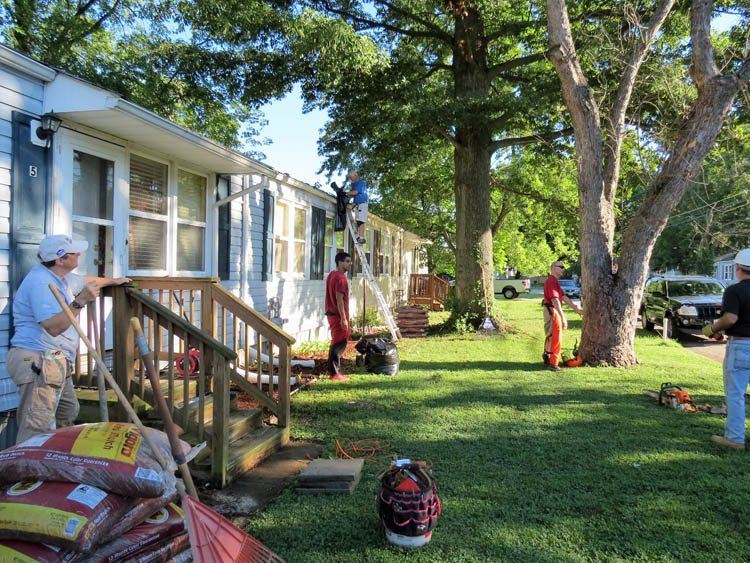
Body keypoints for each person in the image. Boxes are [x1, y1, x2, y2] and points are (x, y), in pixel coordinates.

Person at [6, 235, 131, 444]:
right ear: (60, 260)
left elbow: (88, 280)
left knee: (67, 411)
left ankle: (57, 461)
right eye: (74, 253)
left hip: (54, 356)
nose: (79, 255)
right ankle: (30, 473)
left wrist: (114, 281)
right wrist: (80, 301)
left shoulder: (60, 277)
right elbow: (54, 327)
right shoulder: (41, 283)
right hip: (35, 358)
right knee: (37, 426)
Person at [702, 248, 750, 450]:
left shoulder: (734, 290)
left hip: (741, 345)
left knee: (736, 394)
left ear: (737, 268)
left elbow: (730, 319)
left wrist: (712, 328)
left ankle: (735, 438)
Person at [543, 260, 582, 371]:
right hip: (552, 310)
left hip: (553, 310)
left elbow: (564, 297)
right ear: (554, 268)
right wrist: (563, 317)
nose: (563, 269)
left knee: (552, 336)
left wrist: (576, 309)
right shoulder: (551, 281)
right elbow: (555, 300)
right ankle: (552, 363)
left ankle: (548, 359)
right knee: (554, 336)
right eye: (561, 267)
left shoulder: (555, 281)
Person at [325, 252, 353, 381]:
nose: (349, 264)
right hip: (337, 315)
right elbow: (339, 299)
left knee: (335, 342)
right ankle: (335, 374)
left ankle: (330, 370)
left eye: (350, 261)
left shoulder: (331, 275)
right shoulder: (341, 278)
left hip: (331, 313)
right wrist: (343, 318)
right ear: (340, 263)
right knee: (340, 342)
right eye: (347, 261)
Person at [345, 170, 367, 245]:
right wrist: (345, 195)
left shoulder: (361, 183)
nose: (351, 179)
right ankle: (360, 236)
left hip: (362, 204)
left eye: (352, 178)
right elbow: (351, 194)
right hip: (357, 205)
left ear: (355, 175)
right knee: (358, 220)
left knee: (361, 220)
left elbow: (355, 192)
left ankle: (361, 237)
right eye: (350, 178)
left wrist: (346, 193)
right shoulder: (354, 184)